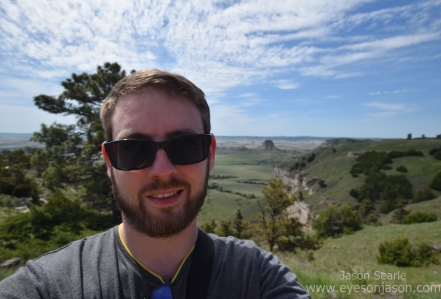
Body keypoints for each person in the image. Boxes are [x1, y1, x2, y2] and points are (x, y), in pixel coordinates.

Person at [0, 69, 311, 299]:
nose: (162, 170)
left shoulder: (255, 275)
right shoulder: (49, 285)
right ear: (109, 162)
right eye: (134, 149)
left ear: (210, 154)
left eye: (186, 145)